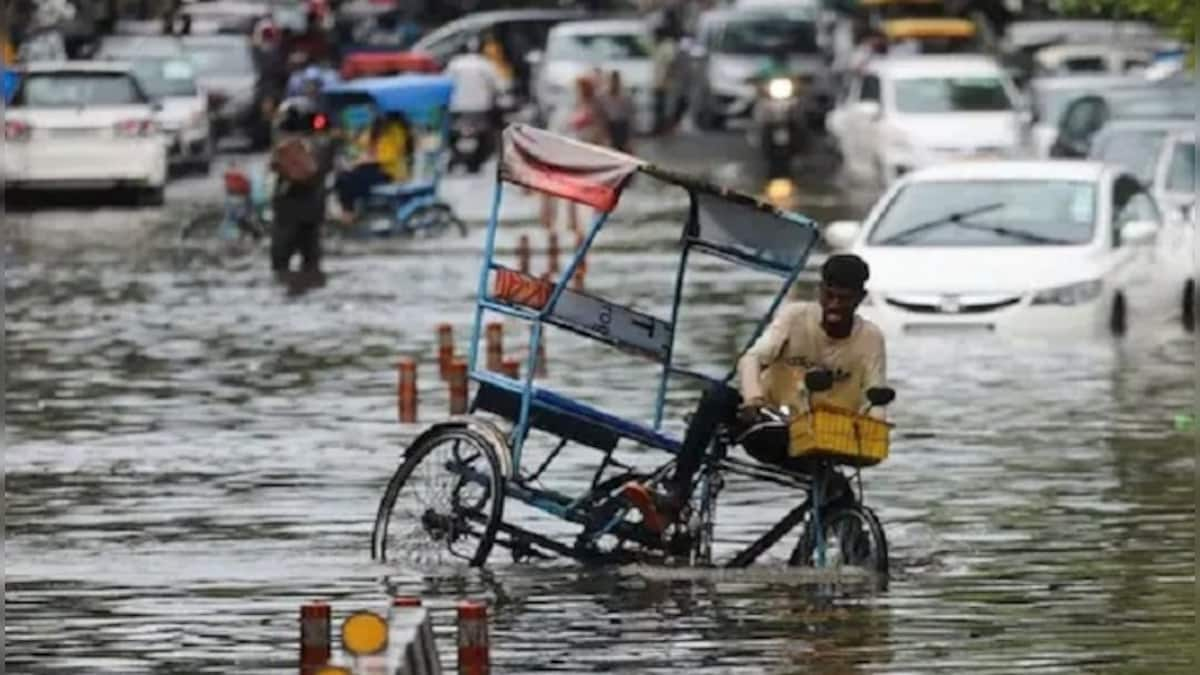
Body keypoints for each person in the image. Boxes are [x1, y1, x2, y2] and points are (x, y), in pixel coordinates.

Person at [623, 254, 887, 533]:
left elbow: (876, 394)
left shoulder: (870, 338)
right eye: (829, 296)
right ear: (820, 291)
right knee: (717, 396)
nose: (834, 307)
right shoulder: (795, 317)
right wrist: (753, 399)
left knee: (839, 493)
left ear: (860, 298)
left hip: (820, 440)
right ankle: (676, 494)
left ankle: (845, 557)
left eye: (843, 299)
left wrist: (875, 428)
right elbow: (753, 358)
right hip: (767, 426)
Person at [268, 98, 336, 292]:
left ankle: (296, 287)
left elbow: (278, 167)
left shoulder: (289, 147)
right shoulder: (322, 142)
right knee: (311, 259)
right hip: (312, 209)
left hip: (291, 210)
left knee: (282, 261)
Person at [333, 113, 407, 224]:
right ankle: (349, 212)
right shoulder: (376, 127)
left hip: (388, 172)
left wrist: (364, 160)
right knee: (342, 178)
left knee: (348, 181)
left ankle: (349, 215)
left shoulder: (396, 130)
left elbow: (390, 156)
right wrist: (345, 136)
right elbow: (361, 142)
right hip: (373, 168)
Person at [597, 70, 634, 153]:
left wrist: (630, 137)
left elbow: (630, 116)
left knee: (624, 151)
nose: (614, 83)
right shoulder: (602, 96)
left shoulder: (625, 96)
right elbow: (600, 115)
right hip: (610, 125)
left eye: (616, 80)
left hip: (622, 125)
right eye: (611, 80)